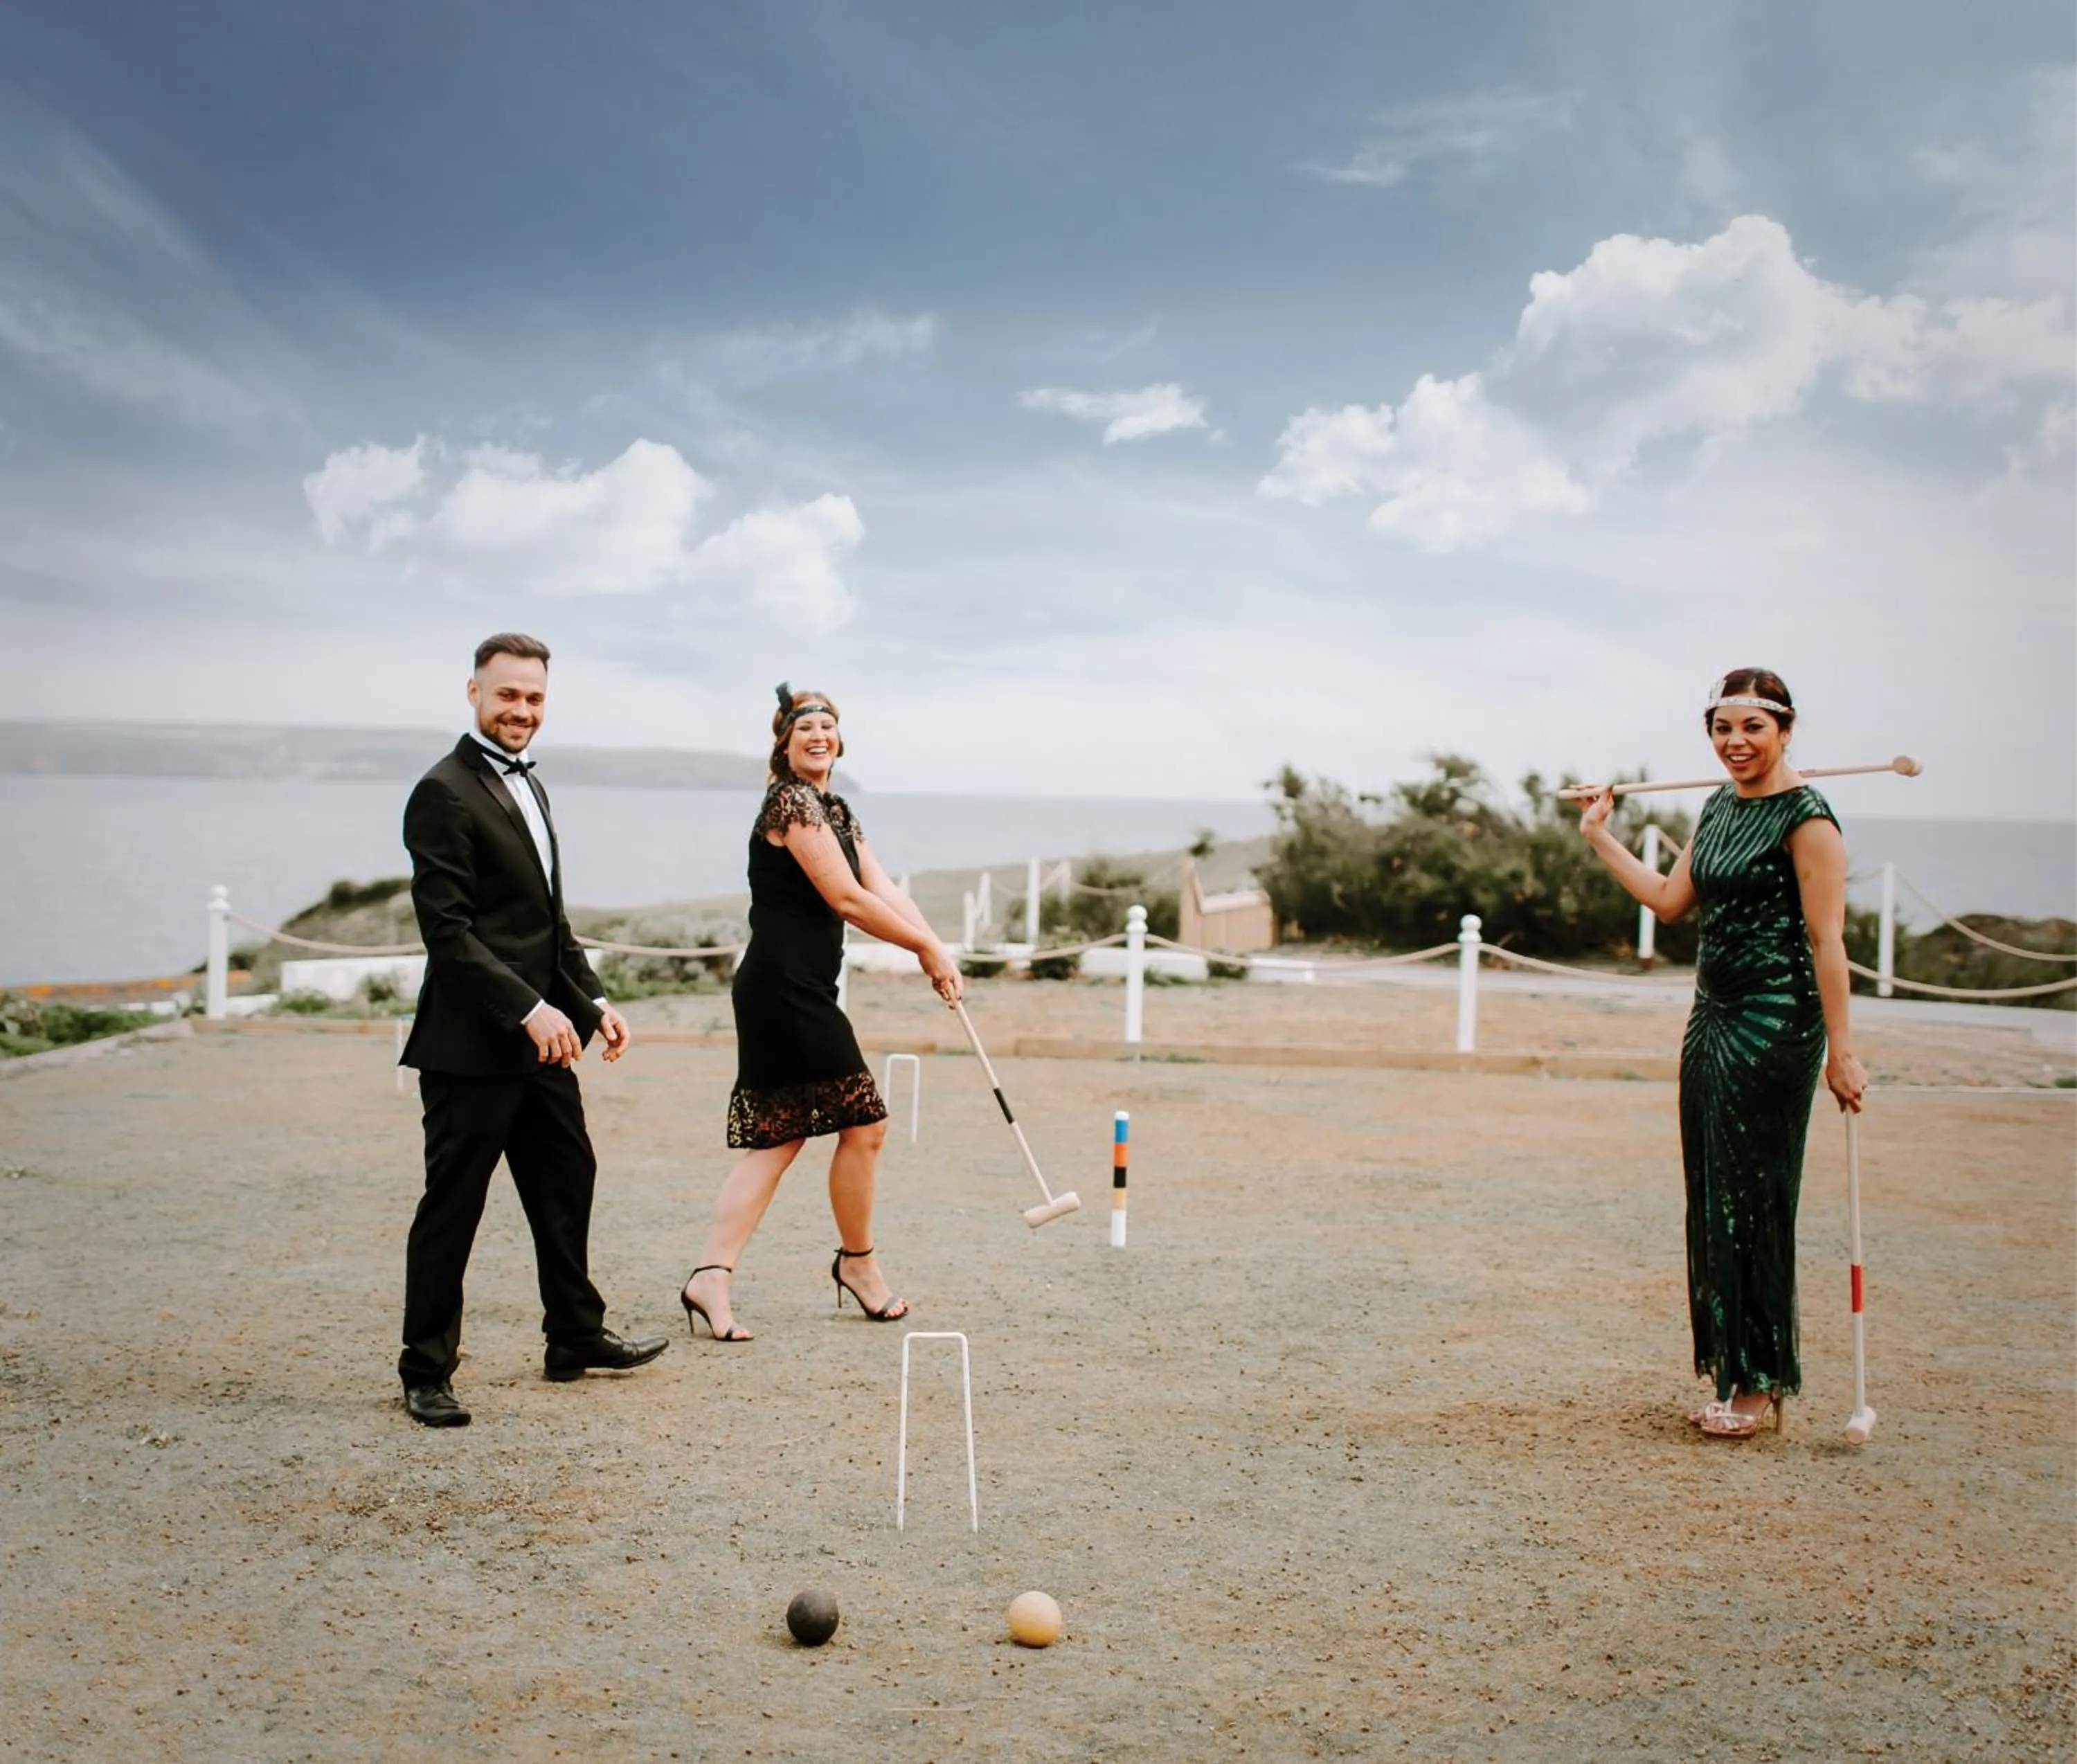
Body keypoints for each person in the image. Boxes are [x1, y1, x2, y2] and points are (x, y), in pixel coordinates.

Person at [1579, 668, 1867, 1438]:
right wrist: (1599, 835)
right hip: (1711, 1015)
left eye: (1752, 729)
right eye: (1721, 729)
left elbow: (1827, 939)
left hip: (1776, 1021)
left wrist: (1844, 1052)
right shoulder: (1715, 807)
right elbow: (1671, 904)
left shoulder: (1809, 821)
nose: (1734, 744)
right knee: (1711, 1195)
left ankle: (1763, 1380)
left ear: (1785, 730)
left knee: (1754, 1199)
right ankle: (1735, 1368)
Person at [395, 633, 667, 1426]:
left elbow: (547, 924)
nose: (522, 710)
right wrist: (528, 1008)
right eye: (508, 694)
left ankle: (574, 1337)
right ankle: (425, 1369)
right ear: (474, 693)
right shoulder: (441, 791)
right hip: (471, 1046)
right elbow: (448, 932)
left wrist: (591, 1001)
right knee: (454, 1208)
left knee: (565, 1183)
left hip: (547, 1042)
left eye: (535, 698)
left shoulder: (531, 790)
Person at [679, 685, 963, 1342]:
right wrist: (919, 947)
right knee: (865, 1123)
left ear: (839, 740)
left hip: (800, 986)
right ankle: (858, 1265)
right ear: (784, 742)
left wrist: (938, 950)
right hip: (782, 988)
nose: (817, 734)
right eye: (804, 726)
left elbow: (881, 887)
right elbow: (844, 897)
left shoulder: (834, 806)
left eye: (828, 725)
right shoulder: (790, 802)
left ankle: (711, 1276)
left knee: (781, 1138)